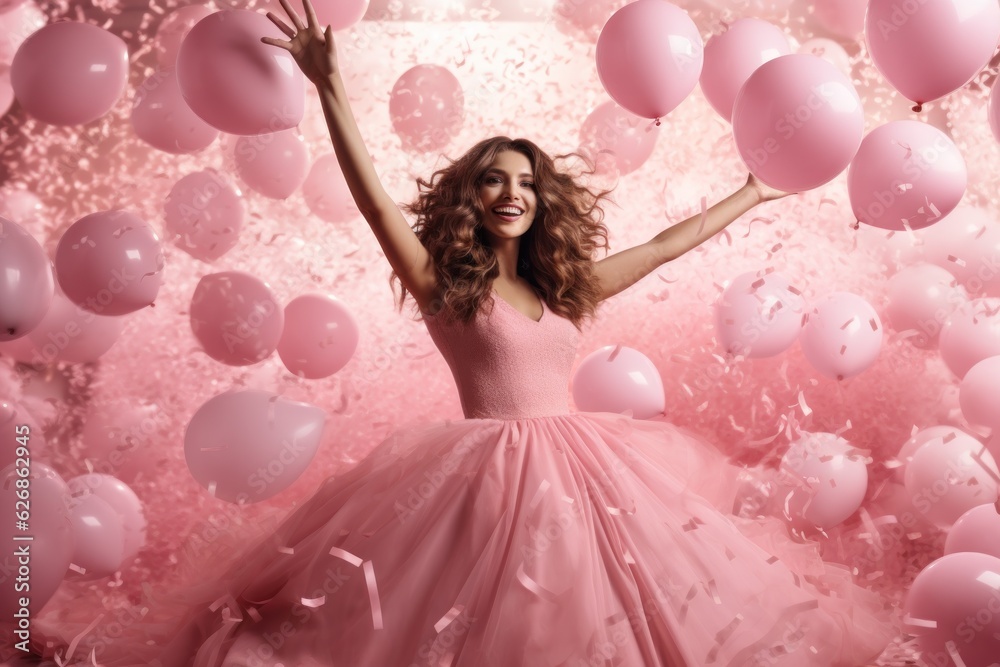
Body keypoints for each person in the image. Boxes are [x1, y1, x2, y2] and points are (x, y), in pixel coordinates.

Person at [29, 0, 896, 665]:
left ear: (540, 199)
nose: (510, 192)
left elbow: (667, 245)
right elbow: (372, 198)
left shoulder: (566, 288)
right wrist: (329, 85)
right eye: (492, 181)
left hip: (592, 474)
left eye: (523, 181)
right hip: (480, 484)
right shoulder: (447, 286)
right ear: (470, 200)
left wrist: (753, 191)